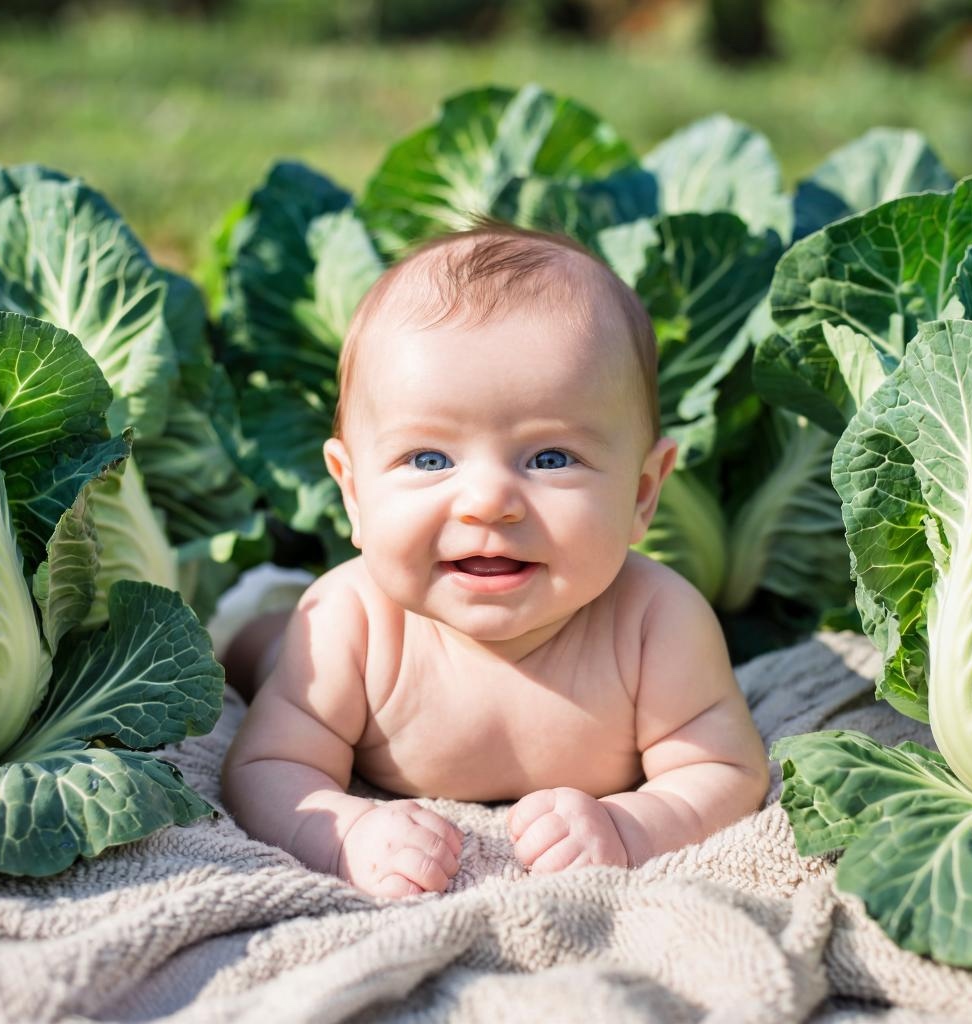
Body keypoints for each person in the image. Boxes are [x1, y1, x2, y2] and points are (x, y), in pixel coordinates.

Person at [221, 222, 769, 899]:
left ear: (641, 493)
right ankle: (255, 611)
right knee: (263, 650)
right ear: (354, 492)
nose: (487, 502)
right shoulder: (347, 619)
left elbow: (723, 770)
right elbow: (268, 768)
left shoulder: (659, 621)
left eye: (550, 457)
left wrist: (631, 827)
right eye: (429, 459)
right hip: (299, 640)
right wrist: (346, 833)